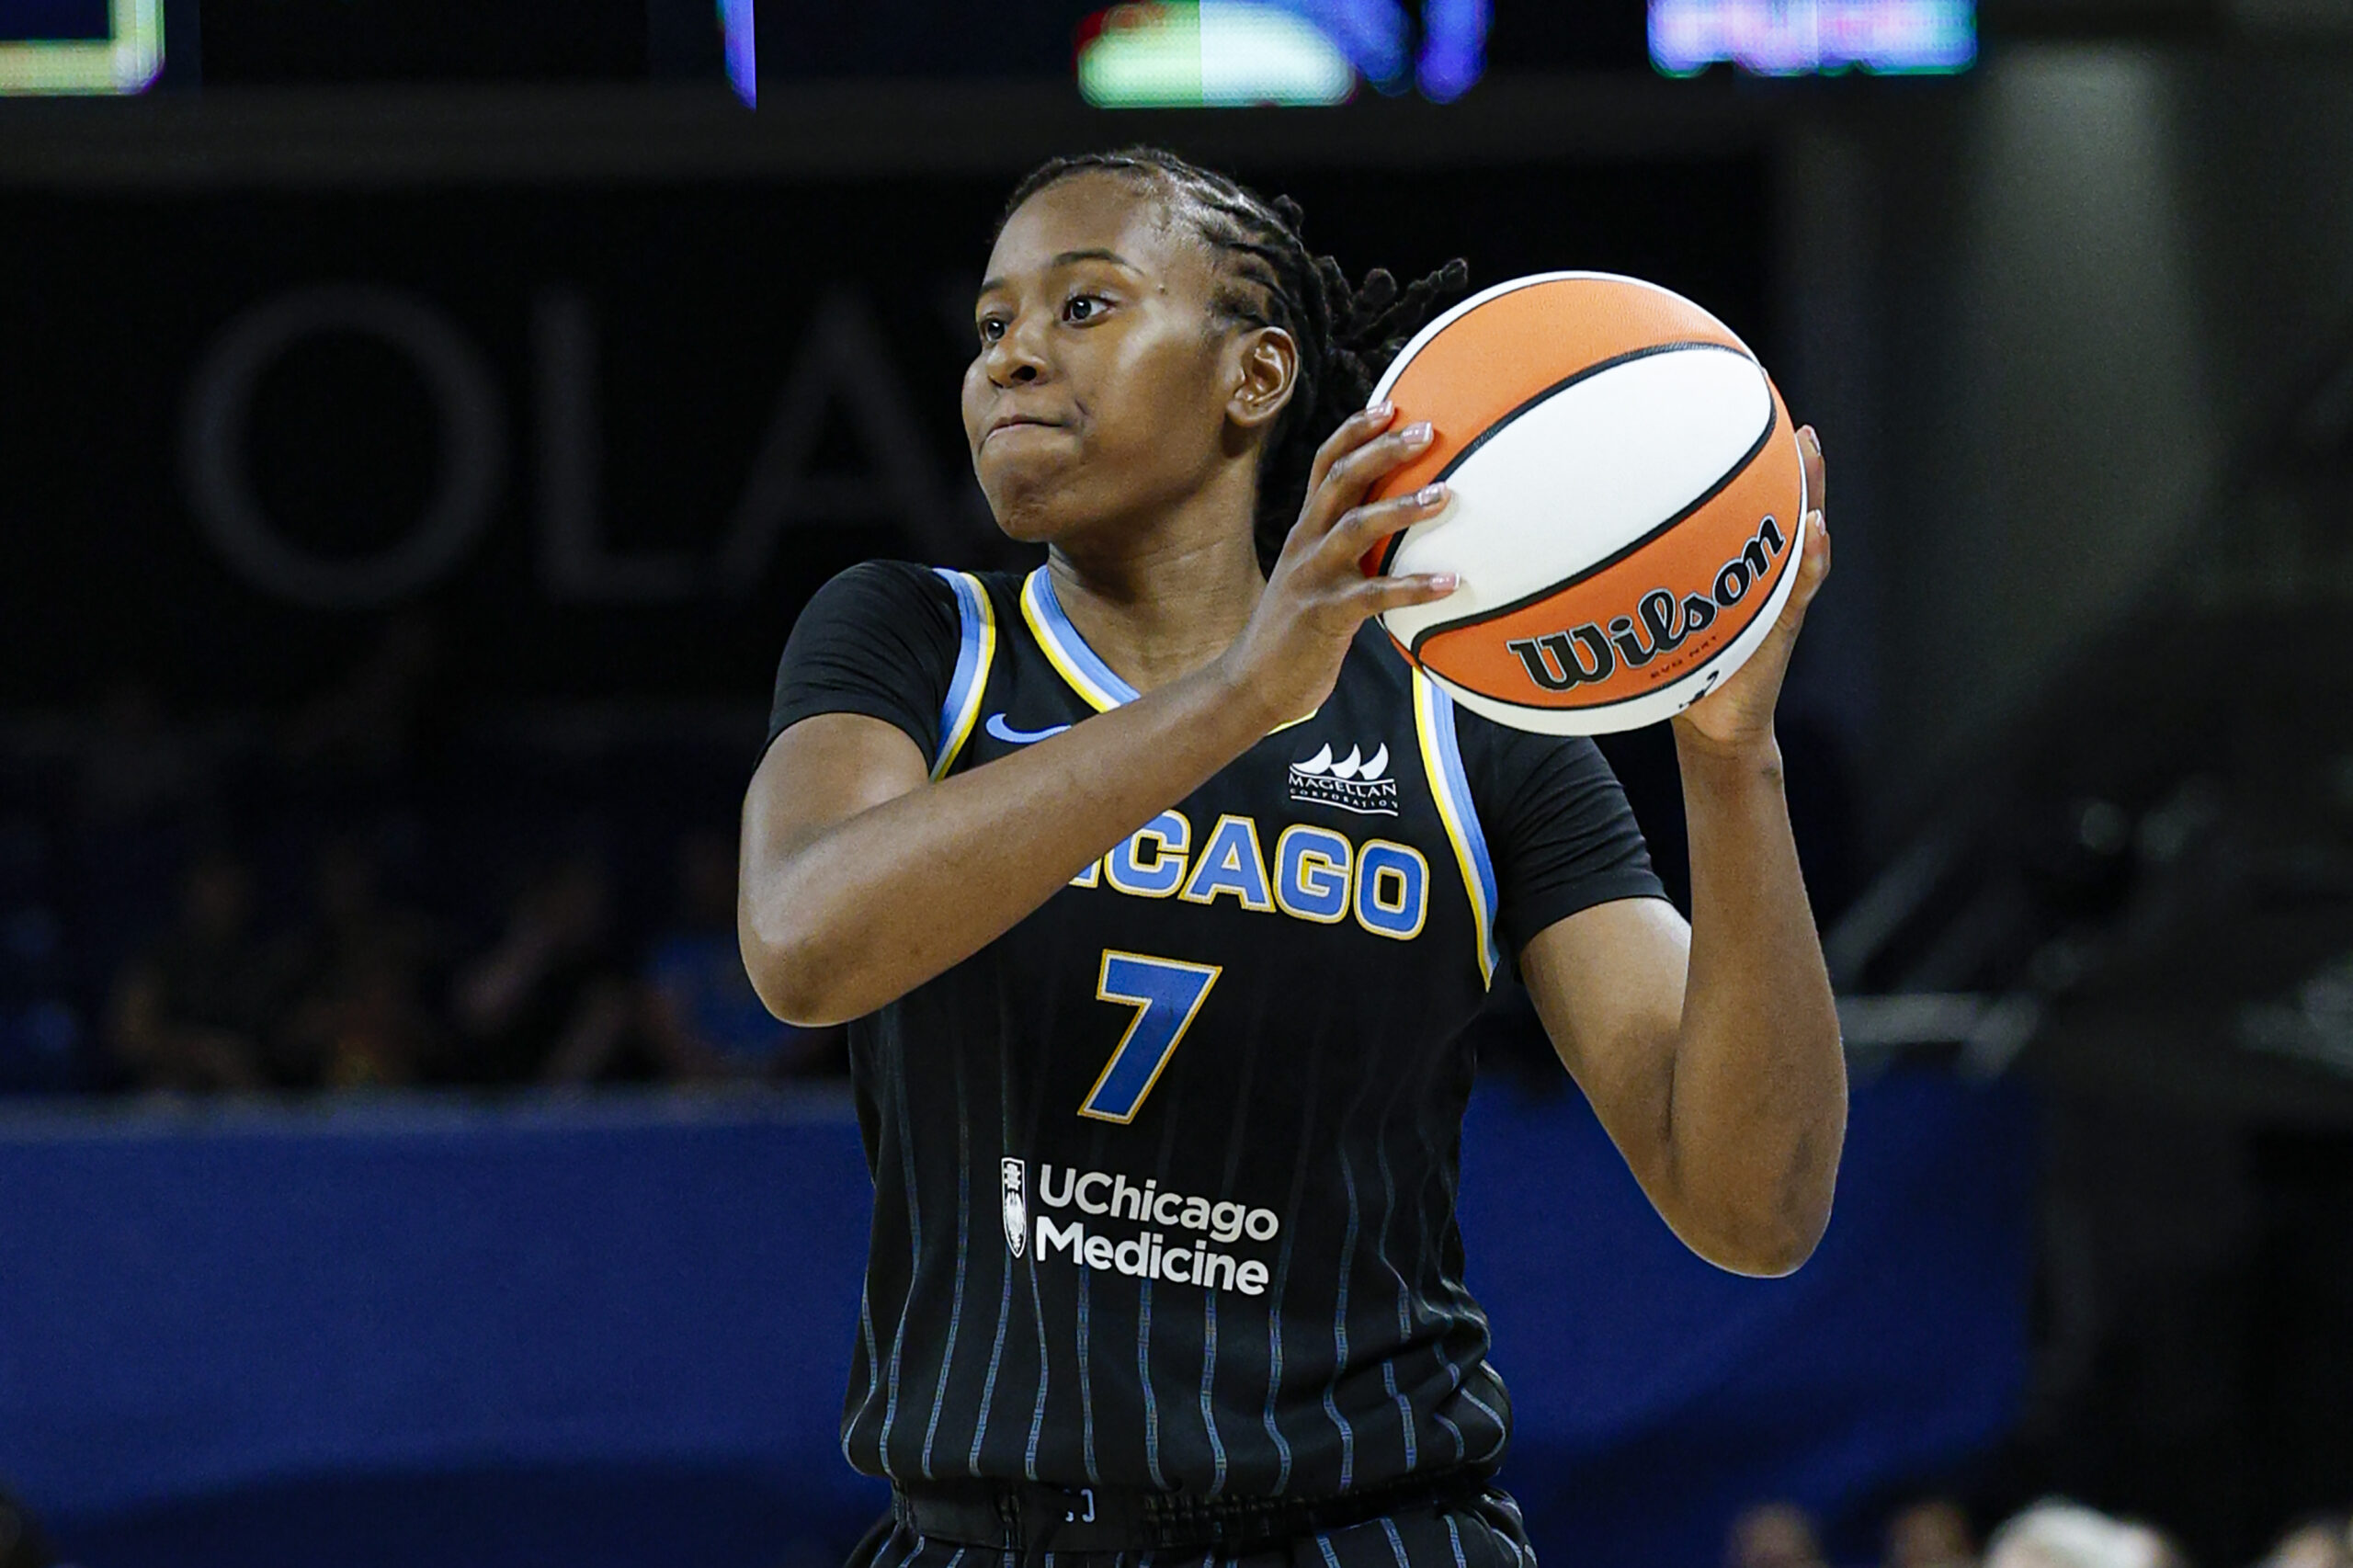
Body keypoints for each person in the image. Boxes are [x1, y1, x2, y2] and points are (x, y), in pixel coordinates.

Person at [739, 147, 1845, 1563]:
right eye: (992, 324)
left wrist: (1729, 756)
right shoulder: (915, 639)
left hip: (1368, 1525)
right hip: (984, 1531)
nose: (1011, 358)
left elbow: (1757, 1204)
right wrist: (1242, 696)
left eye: (1082, 308)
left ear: (1254, 377)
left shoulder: (1469, 724)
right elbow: (802, 944)